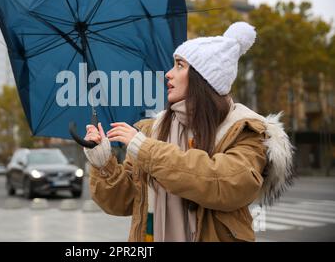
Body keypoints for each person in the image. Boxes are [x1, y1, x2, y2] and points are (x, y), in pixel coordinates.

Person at [83, 22, 294, 242]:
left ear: (202, 78)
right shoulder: (150, 130)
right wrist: (103, 163)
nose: (168, 74)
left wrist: (146, 150)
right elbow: (123, 201)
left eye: (179, 65)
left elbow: (226, 184)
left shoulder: (243, 129)